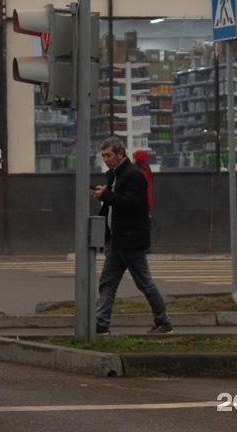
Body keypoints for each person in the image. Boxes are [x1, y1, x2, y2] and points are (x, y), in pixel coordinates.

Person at [91, 136, 172, 335]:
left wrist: (106, 195)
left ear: (120, 154)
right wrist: (105, 194)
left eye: (108, 155)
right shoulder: (115, 175)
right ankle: (101, 324)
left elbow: (131, 204)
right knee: (107, 282)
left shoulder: (133, 175)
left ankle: (163, 322)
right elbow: (116, 201)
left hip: (130, 240)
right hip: (116, 240)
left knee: (144, 283)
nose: (105, 159)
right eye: (103, 156)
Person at [132, 149, 154, 216]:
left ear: (138, 159)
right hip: (146, 201)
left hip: (142, 202)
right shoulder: (146, 169)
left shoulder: (141, 172)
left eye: (134, 158)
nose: (133, 160)